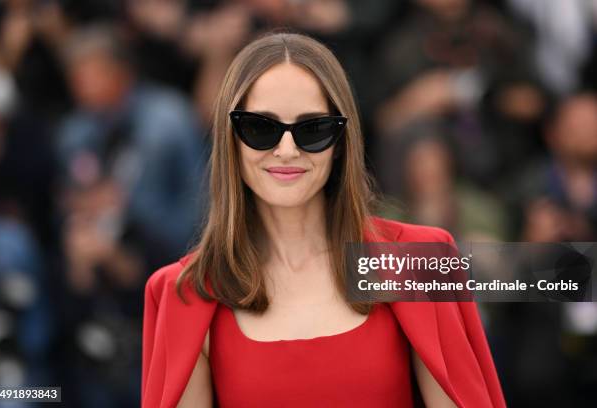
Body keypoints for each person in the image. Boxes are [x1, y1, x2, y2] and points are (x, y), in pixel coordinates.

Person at [141, 31, 506, 408]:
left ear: (341, 142)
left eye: (312, 129)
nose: (286, 150)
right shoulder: (187, 293)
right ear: (229, 139)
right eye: (260, 128)